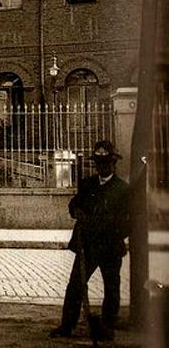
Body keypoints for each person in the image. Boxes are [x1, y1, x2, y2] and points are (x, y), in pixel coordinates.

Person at [51, 140, 130, 340]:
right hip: (87, 246)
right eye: (99, 163)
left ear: (114, 164)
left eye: (107, 163)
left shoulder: (123, 189)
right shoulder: (87, 184)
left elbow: (129, 221)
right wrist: (76, 210)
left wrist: (113, 232)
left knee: (111, 288)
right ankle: (67, 326)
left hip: (110, 247)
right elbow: (74, 204)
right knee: (75, 285)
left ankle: (106, 328)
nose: (103, 167)